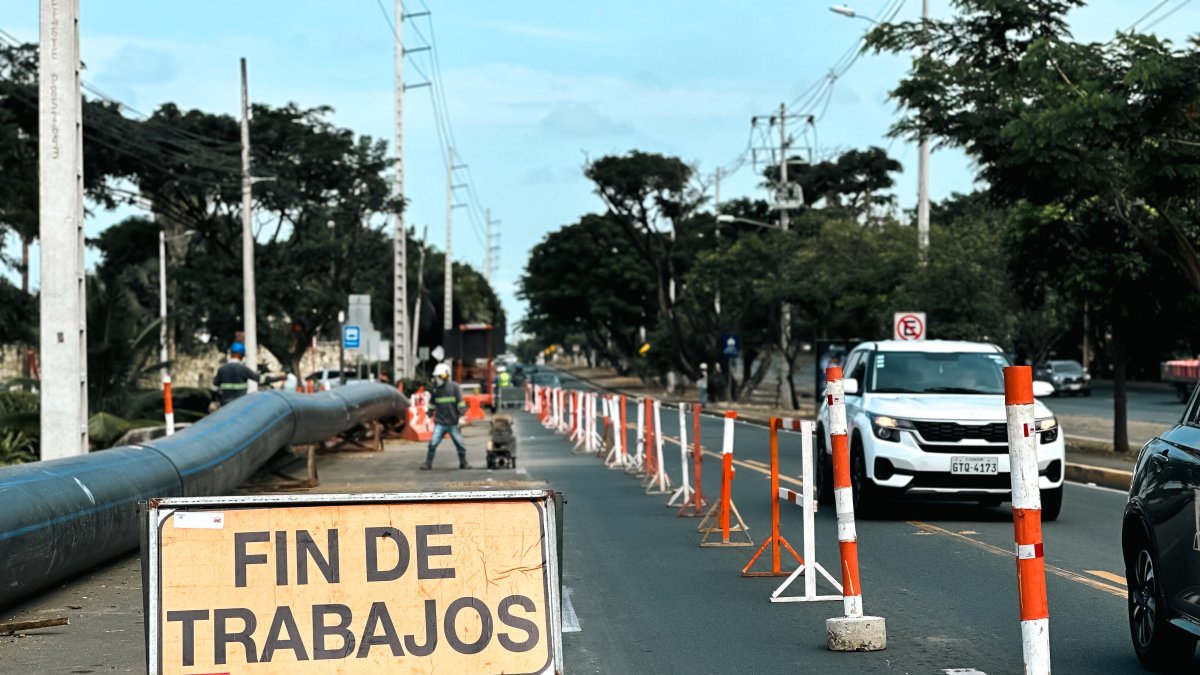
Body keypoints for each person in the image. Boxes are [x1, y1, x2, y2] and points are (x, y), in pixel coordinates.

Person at [422, 363, 471, 470]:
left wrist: (461, 416)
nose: (437, 379)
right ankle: (428, 463)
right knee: (432, 444)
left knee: (460, 445)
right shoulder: (435, 390)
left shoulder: (454, 387)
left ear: (445, 376)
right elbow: (432, 404)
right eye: (436, 376)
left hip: (453, 422)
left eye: (439, 376)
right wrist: (429, 414)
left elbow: (460, 403)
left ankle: (463, 463)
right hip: (440, 422)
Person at [211, 342, 286, 407]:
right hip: (240, 405)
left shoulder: (222, 369)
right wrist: (279, 378)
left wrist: (215, 399)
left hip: (225, 406)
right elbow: (261, 379)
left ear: (231, 354)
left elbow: (214, 388)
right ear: (241, 355)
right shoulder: (243, 369)